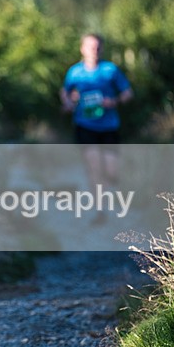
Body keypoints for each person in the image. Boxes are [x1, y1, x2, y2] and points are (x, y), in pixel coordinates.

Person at [60, 34, 133, 223]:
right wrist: (68, 102)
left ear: (102, 48)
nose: (95, 50)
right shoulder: (75, 72)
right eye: (91, 47)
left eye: (98, 47)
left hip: (109, 126)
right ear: (82, 49)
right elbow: (65, 92)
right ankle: (100, 211)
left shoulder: (110, 70)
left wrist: (114, 101)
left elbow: (128, 93)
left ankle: (111, 197)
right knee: (94, 168)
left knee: (111, 171)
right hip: (85, 126)